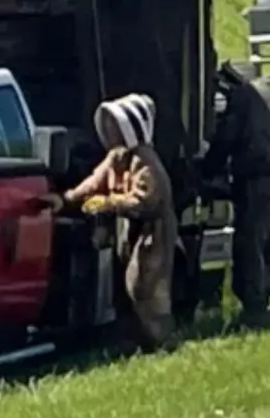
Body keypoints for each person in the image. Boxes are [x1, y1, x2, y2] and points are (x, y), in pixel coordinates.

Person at [46, 94, 177, 353]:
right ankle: (131, 344)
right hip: (128, 232)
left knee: (146, 287)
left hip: (153, 235)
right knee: (122, 289)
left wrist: (106, 203)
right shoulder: (116, 158)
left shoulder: (146, 162)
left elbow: (145, 202)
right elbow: (94, 183)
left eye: (115, 126)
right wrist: (65, 199)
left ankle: (162, 343)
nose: (110, 132)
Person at [202, 60, 270, 328]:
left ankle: (254, 308)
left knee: (249, 242)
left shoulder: (244, 97)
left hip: (258, 178)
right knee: (269, 240)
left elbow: (228, 137)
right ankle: (265, 294)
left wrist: (207, 167)